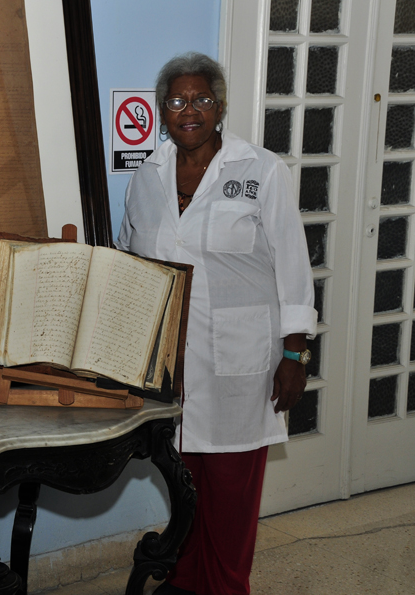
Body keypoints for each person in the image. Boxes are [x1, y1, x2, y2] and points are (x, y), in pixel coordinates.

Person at [117, 52, 316, 595]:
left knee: (231, 493)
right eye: (178, 100)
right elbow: (132, 265)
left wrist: (295, 355)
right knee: (186, 488)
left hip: (242, 366)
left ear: (220, 106)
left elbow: (293, 269)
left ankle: (226, 586)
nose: (190, 110)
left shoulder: (262, 170)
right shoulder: (147, 176)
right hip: (171, 367)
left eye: (201, 98)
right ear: (163, 111)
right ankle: (184, 581)